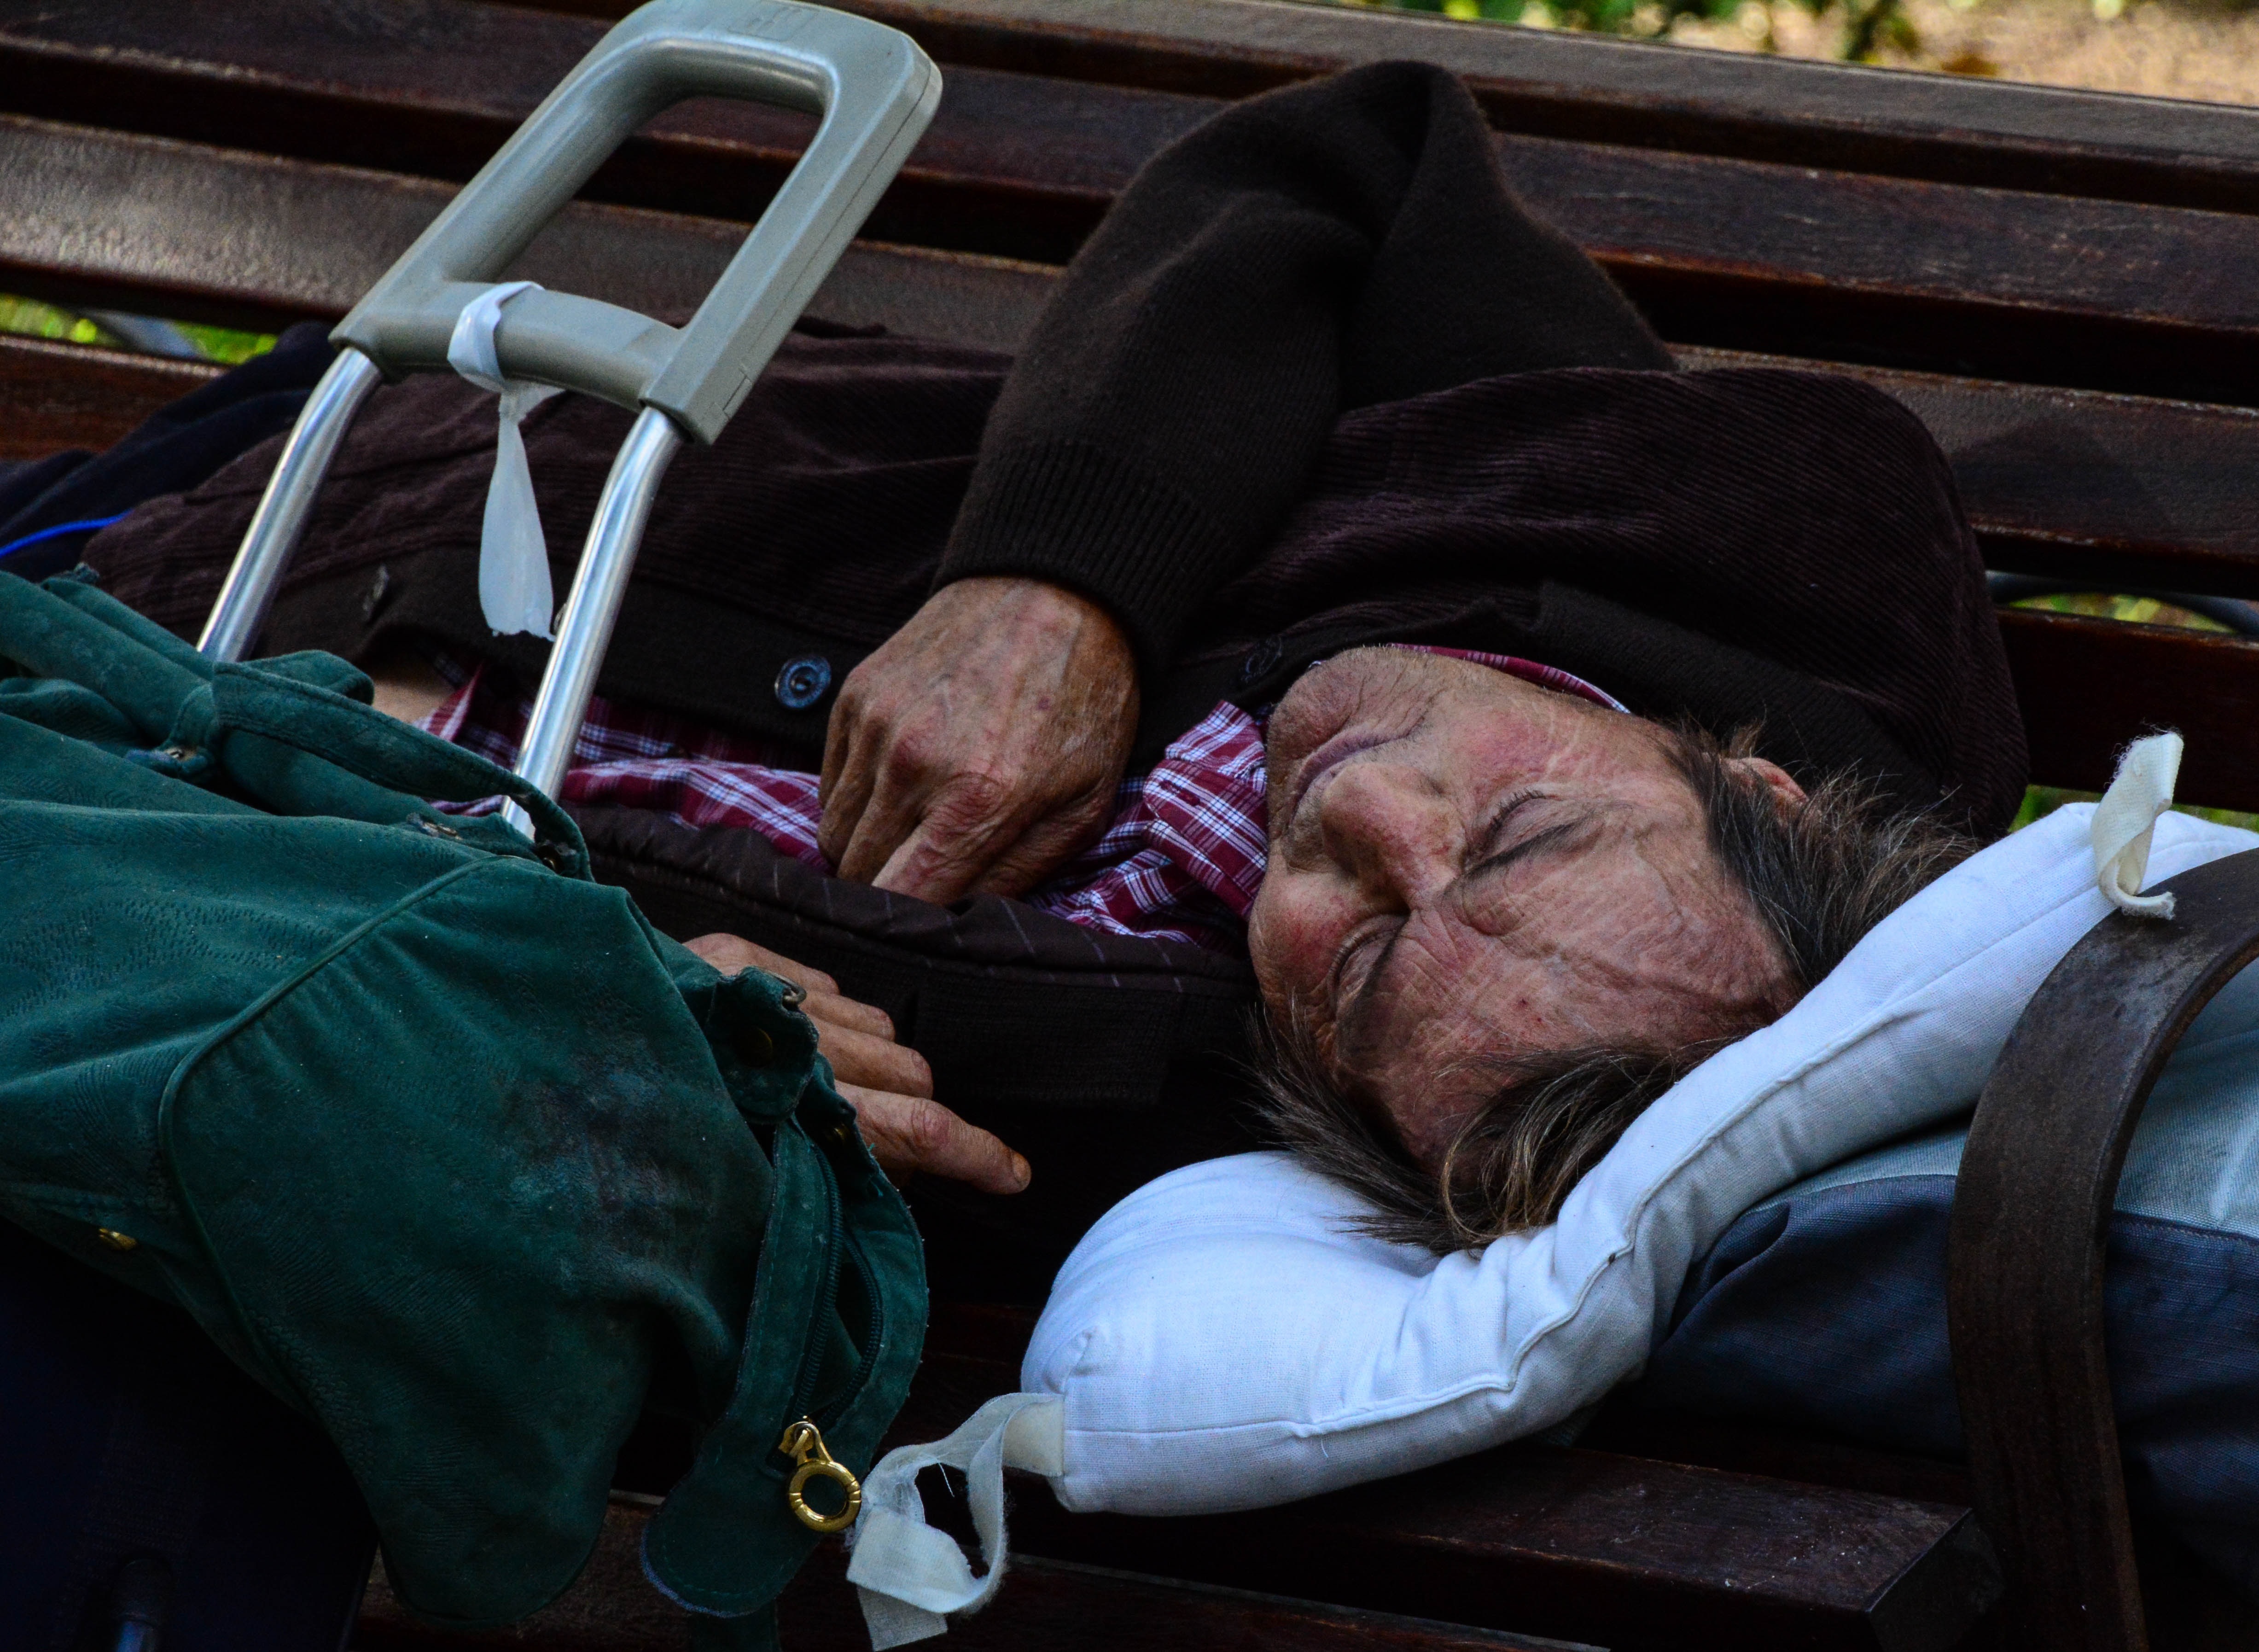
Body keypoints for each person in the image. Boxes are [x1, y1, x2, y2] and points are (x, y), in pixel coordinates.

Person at [69, 62, 2019, 1262]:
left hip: (111, 750)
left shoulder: (1161, 1155)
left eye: (1358, 961)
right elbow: (1346, 167)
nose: (1364, 821)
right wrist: (1061, 580)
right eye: (1516, 832)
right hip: (348, 458)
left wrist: (582, 1001)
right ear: (1743, 776)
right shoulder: (1765, 555)